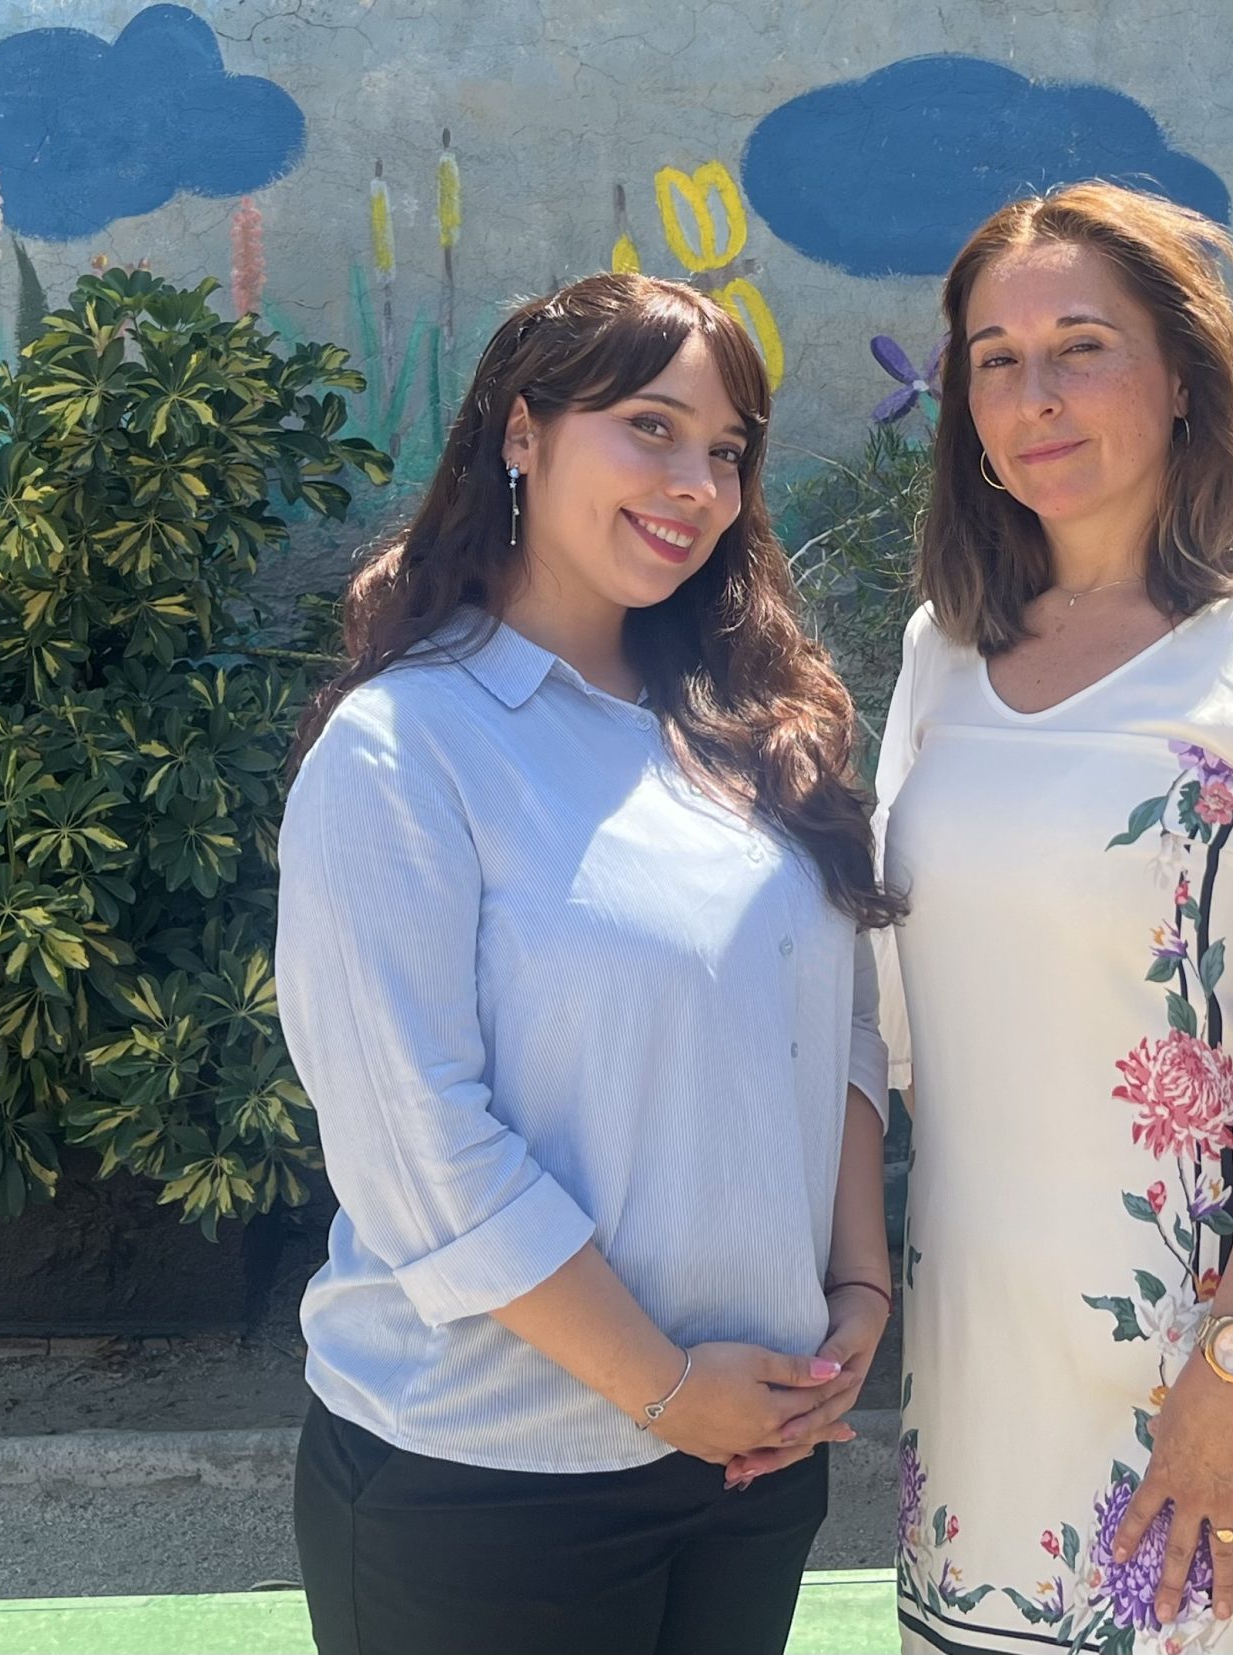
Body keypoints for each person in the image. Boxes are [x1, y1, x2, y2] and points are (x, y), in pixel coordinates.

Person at [276, 272, 901, 1655]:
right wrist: (664, 1387)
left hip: (754, 1461)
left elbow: (839, 1025)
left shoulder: (753, 734)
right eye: (650, 427)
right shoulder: (404, 748)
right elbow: (419, 1147)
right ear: (522, 431)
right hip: (485, 1478)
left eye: (728, 451)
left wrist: (857, 1289)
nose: (697, 485)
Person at [873, 181, 1233, 1655]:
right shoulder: (940, 653)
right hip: (972, 1354)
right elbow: (901, 1024)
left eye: (1081, 348)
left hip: (1200, 1373)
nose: (1034, 398)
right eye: (996, 361)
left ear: (1186, 375)